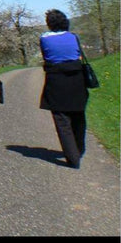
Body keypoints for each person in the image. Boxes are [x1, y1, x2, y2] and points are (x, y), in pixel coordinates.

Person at [39, 9, 88, 169]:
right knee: (79, 116)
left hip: (56, 81)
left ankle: (73, 157)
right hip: (76, 80)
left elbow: (46, 57)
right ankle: (79, 149)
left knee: (62, 121)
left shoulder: (44, 39)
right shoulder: (74, 37)